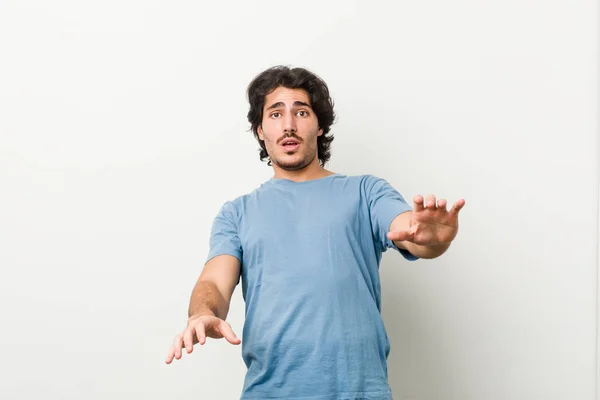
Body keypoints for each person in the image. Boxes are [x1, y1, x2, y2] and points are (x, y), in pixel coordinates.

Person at [165, 65, 466, 399]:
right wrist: (203, 313)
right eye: (275, 114)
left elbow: (408, 230)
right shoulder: (236, 213)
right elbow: (213, 283)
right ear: (260, 131)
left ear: (320, 126)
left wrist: (431, 237)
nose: (289, 125)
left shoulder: (365, 192)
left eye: (302, 112)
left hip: (360, 392)